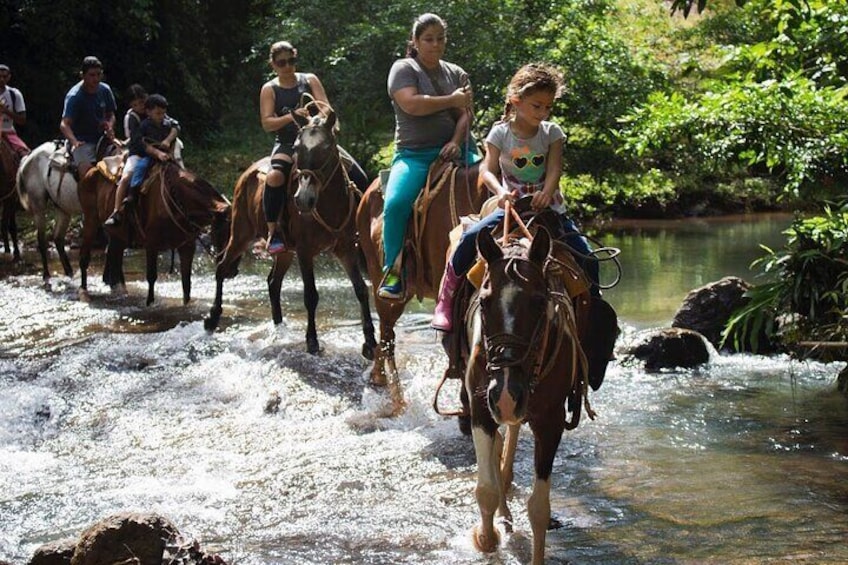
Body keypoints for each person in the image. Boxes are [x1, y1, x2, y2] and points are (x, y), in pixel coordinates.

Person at [431, 63, 600, 331]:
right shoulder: (500, 133)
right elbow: (487, 169)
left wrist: (546, 192)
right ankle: (446, 301)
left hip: (549, 207)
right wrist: (500, 192)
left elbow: (555, 167)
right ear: (516, 101)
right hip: (513, 206)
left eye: (548, 106)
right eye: (537, 105)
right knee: (469, 239)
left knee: (587, 256)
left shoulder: (551, 132)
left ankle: (595, 315)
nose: (543, 112)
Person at [377, 12, 479, 299]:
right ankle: (394, 270)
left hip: (459, 151)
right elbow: (411, 104)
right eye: (428, 39)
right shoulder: (403, 69)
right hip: (415, 154)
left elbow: (465, 115)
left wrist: (457, 142)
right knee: (396, 204)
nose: (435, 44)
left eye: (440, 38)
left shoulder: (456, 72)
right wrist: (452, 99)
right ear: (415, 42)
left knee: (494, 185)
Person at [259, 41, 369, 255]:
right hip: (289, 143)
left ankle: (362, 226)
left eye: (291, 61)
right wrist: (292, 116)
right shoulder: (270, 89)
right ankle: (274, 232)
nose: (287, 66)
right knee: (274, 177)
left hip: (317, 140)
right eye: (282, 63)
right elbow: (267, 123)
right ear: (273, 64)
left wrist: (323, 121)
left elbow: (325, 107)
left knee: (359, 175)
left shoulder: (309, 80)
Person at [59, 56, 117, 179]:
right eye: (92, 75)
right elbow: (64, 124)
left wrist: (109, 125)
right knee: (88, 177)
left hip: (102, 139)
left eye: (98, 74)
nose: (96, 79)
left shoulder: (105, 90)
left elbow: (110, 114)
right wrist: (74, 141)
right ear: (83, 75)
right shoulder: (75, 96)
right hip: (83, 141)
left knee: (122, 161)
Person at [121, 94, 179, 211]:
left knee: (178, 169)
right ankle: (133, 192)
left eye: (163, 113)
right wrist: (157, 153)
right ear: (149, 112)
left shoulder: (166, 122)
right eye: (158, 114)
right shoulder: (143, 125)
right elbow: (141, 143)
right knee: (140, 167)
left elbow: (176, 126)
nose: (161, 116)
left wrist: (167, 141)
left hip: (165, 155)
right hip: (148, 155)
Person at [104, 84, 147, 226]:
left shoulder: (153, 109)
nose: (140, 106)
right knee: (126, 177)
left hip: (157, 151)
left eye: (141, 102)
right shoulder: (131, 117)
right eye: (135, 104)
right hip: (138, 152)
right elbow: (135, 139)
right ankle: (117, 210)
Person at [0, 64, 30, 157]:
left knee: (25, 155)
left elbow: (22, 120)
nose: (1, 79)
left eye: (4, 77)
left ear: (9, 77)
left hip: (8, 131)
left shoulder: (14, 94)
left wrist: (6, 111)